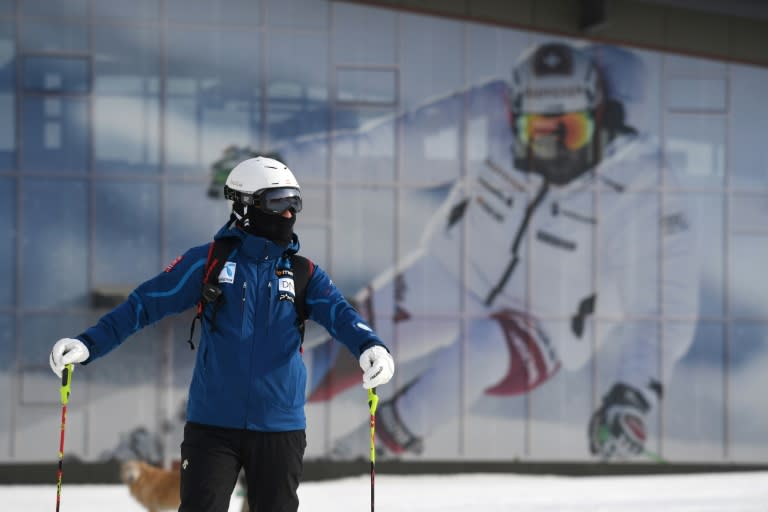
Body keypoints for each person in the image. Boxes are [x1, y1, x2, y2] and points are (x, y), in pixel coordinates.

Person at [304, 41, 698, 461]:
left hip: (549, 322)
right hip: (456, 270)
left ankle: (359, 455)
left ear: (600, 116)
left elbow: (663, 304)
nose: (555, 151)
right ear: (515, 119)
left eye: (570, 131)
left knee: (482, 351)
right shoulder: (492, 116)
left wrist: (631, 395)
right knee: (355, 339)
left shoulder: (645, 183)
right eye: (537, 135)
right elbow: (393, 148)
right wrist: (280, 168)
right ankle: (245, 406)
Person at [48, 156, 395, 512]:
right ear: (245, 206)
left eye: (295, 202)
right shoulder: (208, 262)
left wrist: (372, 346)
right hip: (212, 426)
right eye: (278, 202)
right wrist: (88, 343)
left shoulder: (304, 273)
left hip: (280, 427)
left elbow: (341, 314)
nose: (289, 214)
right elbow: (143, 305)